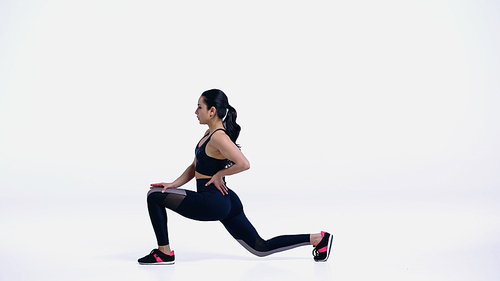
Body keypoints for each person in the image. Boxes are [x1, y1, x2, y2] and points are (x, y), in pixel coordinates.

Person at [138, 89, 333, 265]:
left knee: (153, 196)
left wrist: (220, 174)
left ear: (212, 111)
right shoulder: (209, 134)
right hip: (227, 200)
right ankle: (317, 238)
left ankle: (164, 253)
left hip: (212, 201)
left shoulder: (219, 137)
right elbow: (194, 167)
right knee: (260, 247)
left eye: (199, 107)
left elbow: (244, 163)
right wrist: (172, 184)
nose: (195, 112)